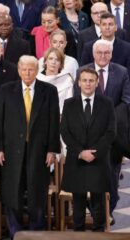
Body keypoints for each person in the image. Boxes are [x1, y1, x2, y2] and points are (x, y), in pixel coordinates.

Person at [0, 55, 60, 238]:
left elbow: (54, 122)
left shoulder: (48, 91)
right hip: (11, 151)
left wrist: (52, 150)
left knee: (36, 193)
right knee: (11, 192)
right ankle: (15, 233)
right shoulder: (6, 90)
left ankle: (36, 234)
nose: (27, 72)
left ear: (37, 70)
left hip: (39, 151)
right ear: (18, 70)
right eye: (24, 69)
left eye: (31, 69)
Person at [75, 39, 130, 224]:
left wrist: (108, 117)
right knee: (91, 174)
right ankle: (95, 211)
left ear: (112, 54)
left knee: (112, 174)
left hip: (113, 135)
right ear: (93, 53)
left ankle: (110, 211)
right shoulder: (82, 71)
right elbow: (77, 100)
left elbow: (126, 100)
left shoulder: (122, 72)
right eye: (100, 52)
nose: (103, 56)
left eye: (107, 53)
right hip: (88, 133)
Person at [61, 68, 116, 231]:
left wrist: (95, 153)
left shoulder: (107, 104)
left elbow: (111, 132)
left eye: (91, 80)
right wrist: (80, 152)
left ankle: (98, 233)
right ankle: (78, 233)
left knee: (98, 204)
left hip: (98, 160)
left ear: (97, 82)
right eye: (84, 80)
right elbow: (65, 131)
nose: (87, 83)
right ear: (78, 83)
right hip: (77, 160)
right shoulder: (69, 104)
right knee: (78, 204)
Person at [37, 48, 74, 113]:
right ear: (45, 61)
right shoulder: (37, 79)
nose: (53, 62)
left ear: (61, 64)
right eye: (50, 59)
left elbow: (69, 103)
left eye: (57, 60)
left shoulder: (67, 80)